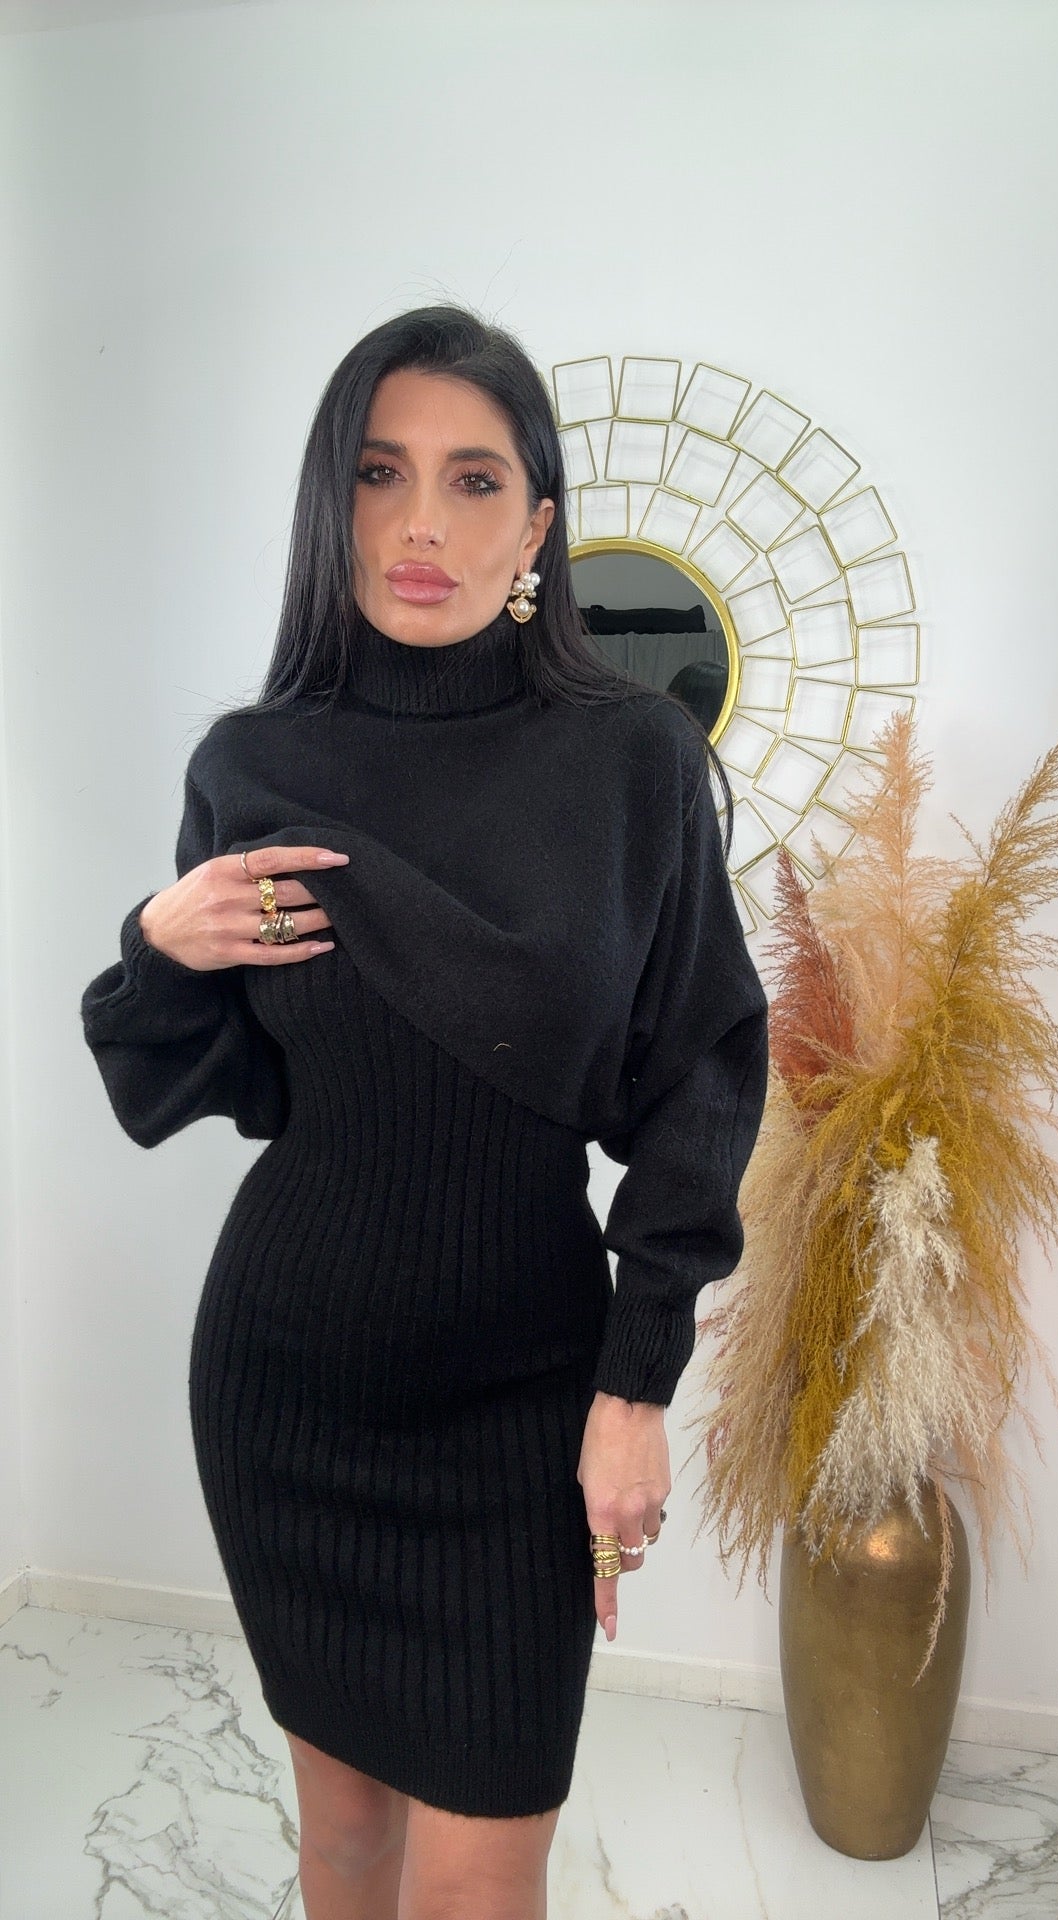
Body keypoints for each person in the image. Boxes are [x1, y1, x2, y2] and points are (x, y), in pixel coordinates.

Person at [80, 304, 768, 1920]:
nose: (420, 524)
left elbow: (702, 1069)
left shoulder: (631, 763)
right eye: (380, 473)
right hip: (289, 1387)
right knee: (339, 1842)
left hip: (522, 1398)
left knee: (479, 1878)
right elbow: (212, 1081)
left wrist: (636, 1382)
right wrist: (155, 948)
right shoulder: (253, 763)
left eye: (474, 481)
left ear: (537, 526)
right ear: (332, 504)